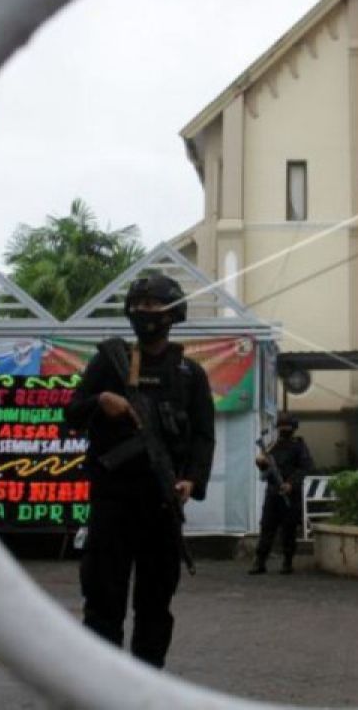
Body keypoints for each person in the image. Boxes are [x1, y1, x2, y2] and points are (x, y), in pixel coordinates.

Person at [65, 274, 215, 669]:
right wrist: (101, 400)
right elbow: (71, 414)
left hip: (161, 506)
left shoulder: (189, 374)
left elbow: (203, 436)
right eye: (139, 305)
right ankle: (104, 685)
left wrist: (191, 480)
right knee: (103, 601)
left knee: (155, 604)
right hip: (113, 501)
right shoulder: (109, 363)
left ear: (172, 313)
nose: (145, 313)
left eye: (154, 305)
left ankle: (146, 684)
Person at [249, 412, 313, 575]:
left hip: (290, 495)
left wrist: (291, 484)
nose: (283, 430)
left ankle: (287, 561)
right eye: (281, 427)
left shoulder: (299, 446)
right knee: (266, 527)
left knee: (289, 529)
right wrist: (261, 463)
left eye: (287, 427)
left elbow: (305, 468)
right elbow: (266, 470)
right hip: (273, 493)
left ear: (293, 428)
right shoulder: (272, 446)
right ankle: (260, 561)